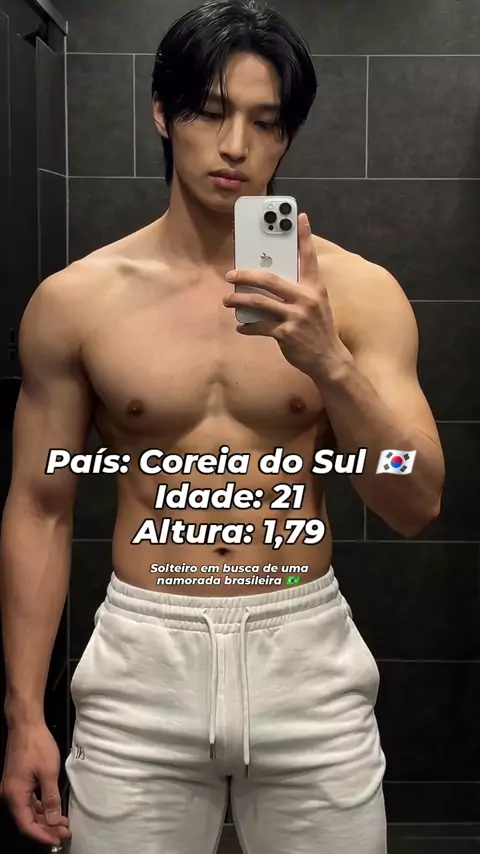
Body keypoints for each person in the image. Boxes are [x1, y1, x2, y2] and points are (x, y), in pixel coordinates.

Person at [0, 1, 445, 852]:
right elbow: (39, 505)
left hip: (304, 655)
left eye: (265, 122)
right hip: (143, 662)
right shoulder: (78, 301)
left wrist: (329, 363)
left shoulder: (359, 295)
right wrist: (25, 717)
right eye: (210, 112)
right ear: (162, 113)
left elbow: (413, 498)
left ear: (288, 135)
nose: (235, 145)